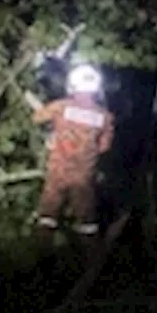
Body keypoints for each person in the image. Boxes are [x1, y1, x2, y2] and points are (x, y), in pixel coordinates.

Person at [32, 64, 115, 242]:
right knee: (86, 225)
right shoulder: (105, 117)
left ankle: (39, 260)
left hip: (57, 175)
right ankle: (89, 263)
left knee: (46, 219)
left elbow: (37, 118)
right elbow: (104, 147)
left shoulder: (60, 107)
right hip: (83, 178)